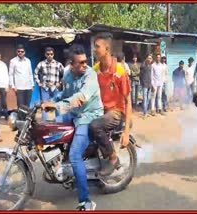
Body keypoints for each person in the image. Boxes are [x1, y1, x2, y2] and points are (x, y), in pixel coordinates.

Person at [41, 44, 102, 211]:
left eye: (85, 61)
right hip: (73, 113)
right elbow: (65, 94)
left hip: (88, 115)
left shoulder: (90, 75)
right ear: (71, 63)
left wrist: (57, 106)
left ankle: (86, 202)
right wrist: (51, 101)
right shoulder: (67, 73)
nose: (84, 65)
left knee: (75, 155)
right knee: (50, 127)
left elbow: (80, 98)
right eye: (80, 63)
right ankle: (61, 161)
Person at [90, 32, 132, 176]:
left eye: (97, 47)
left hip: (115, 113)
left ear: (107, 49)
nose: (94, 50)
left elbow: (128, 101)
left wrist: (126, 132)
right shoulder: (95, 70)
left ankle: (113, 158)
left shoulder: (120, 71)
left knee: (95, 126)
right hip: (99, 111)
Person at [34, 47, 64, 121]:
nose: (49, 55)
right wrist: (38, 83)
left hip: (55, 88)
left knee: (57, 105)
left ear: (53, 55)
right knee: (44, 105)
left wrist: (60, 83)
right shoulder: (41, 64)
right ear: (45, 55)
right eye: (48, 54)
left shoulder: (58, 64)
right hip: (45, 88)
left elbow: (65, 74)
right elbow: (35, 73)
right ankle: (44, 122)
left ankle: (58, 121)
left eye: (51, 54)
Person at [9, 44, 34, 108]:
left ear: (24, 52)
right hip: (19, 87)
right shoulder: (13, 61)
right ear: (16, 52)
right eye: (18, 51)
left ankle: (26, 118)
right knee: (20, 105)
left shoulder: (28, 61)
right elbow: (11, 75)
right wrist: (13, 86)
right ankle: (21, 118)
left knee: (27, 105)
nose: (20, 53)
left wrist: (32, 85)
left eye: (22, 51)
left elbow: (30, 73)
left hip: (28, 87)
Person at [140, 54, 153, 119]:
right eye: (148, 58)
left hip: (150, 84)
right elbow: (141, 75)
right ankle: (145, 113)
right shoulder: (143, 66)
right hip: (144, 84)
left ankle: (146, 111)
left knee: (148, 99)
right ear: (146, 59)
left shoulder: (151, 66)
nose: (149, 59)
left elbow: (152, 76)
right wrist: (141, 83)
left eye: (150, 58)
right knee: (145, 99)